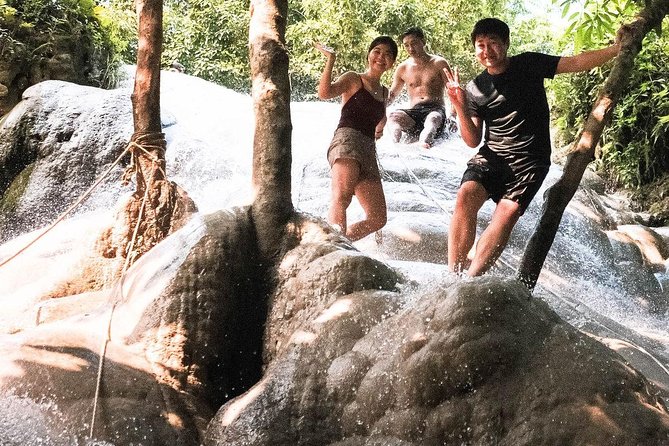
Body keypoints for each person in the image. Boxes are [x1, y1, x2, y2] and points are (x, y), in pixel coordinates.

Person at [445, 17, 624, 276]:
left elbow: (574, 63)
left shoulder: (528, 64)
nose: (487, 51)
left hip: (530, 160)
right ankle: (453, 276)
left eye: (493, 43)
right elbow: (472, 139)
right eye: (480, 45)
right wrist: (460, 104)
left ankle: (470, 281)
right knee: (465, 195)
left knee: (507, 214)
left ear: (506, 44)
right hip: (492, 155)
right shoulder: (475, 88)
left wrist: (616, 49)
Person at [315, 36, 398, 241]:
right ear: (369, 54)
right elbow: (325, 93)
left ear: (392, 63)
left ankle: (339, 242)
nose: (381, 57)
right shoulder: (354, 79)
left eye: (388, 54)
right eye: (377, 51)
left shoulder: (385, 92)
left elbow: (379, 117)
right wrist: (331, 60)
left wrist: (381, 126)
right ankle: (334, 247)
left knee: (378, 218)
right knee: (341, 198)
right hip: (347, 141)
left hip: (368, 149)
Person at [388, 27, 454, 148]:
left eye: (414, 43)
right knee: (393, 117)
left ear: (423, 42)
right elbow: (391, 96)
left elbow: (453, 91)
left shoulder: (439, 63)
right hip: (414, 114)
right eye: (406, 45)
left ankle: (423, 144)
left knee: (433, 118)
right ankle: (395, 146)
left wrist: (453, 117)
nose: (410, 48)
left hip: (435, 109)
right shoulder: (403, 68)